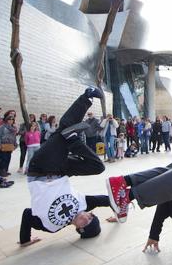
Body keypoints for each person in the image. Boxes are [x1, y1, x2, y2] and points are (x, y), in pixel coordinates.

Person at [19, 87, 109, 247]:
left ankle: (86, 98)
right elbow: (104, 200)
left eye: (88, 221)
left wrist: (25, 240)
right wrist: (124, 204)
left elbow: (27, 214)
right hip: (62, 171)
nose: (88, 215)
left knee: (62, 132)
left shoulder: (51, 226)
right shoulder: (83, 205)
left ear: (80, 229)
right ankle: (73, 139)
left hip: (40, 168)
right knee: (98, 167)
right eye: (91, 216)